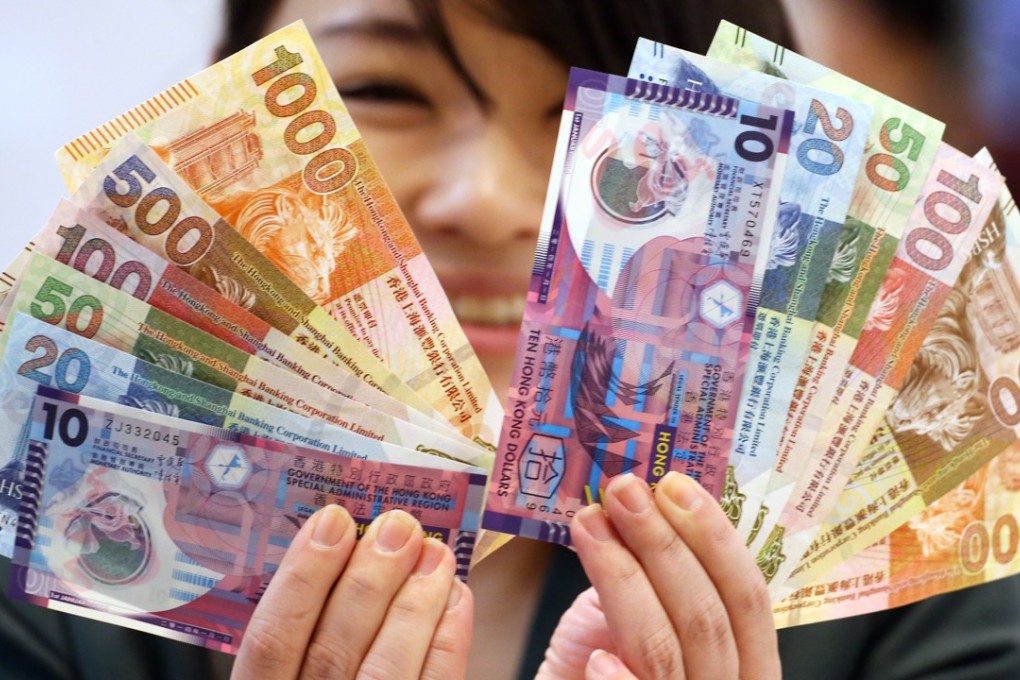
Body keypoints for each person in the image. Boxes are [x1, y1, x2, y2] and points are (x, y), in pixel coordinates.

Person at [3, 1, 1020, 678]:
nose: (487, 199)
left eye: (617, 116)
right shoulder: (36, 533)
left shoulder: (931, 572)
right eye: (387, 91)